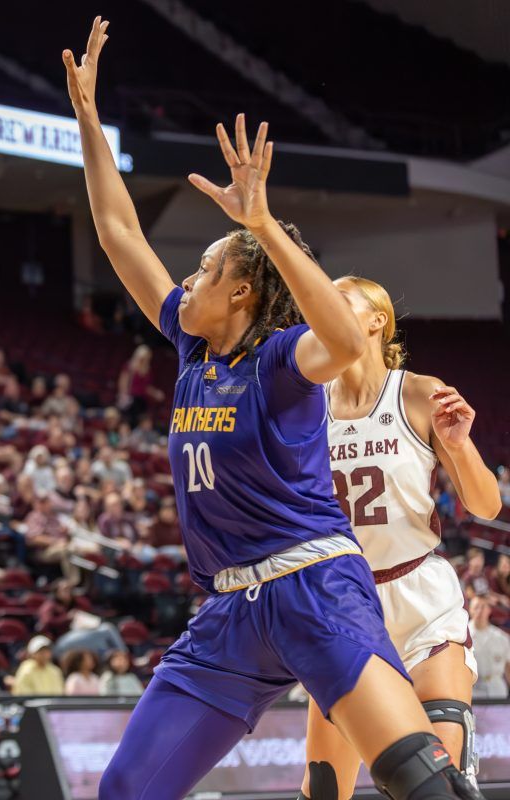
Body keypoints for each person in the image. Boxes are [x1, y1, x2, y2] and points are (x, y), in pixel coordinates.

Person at [66, 19, 478, 799]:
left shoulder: (282, 361)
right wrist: (89, 121)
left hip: (315, 588)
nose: (185, 282)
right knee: (124, 792)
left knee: (424, 783)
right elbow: (119, 233)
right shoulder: (192, 348)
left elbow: (343, 340)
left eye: (204, 267)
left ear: (243, 294)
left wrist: (260, 226)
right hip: (226, 614)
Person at [301, 276, 502, 795]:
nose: (321, 307)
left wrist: (458, 448)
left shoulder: (417, 392)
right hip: (345, 604)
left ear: (376, 320)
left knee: (436, 781)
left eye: (340, 300)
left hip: (420, 597)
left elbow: (486, 505)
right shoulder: (302, 405)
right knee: (325, 789)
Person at [469, 597, 510, 700]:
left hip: (498, 692)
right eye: (476, 607)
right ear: (470, 610)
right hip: (473, 693)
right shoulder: (463, 637)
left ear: (489, 610)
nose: (479, 611)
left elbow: (508, 667)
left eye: (483, 607)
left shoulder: (501, 637)